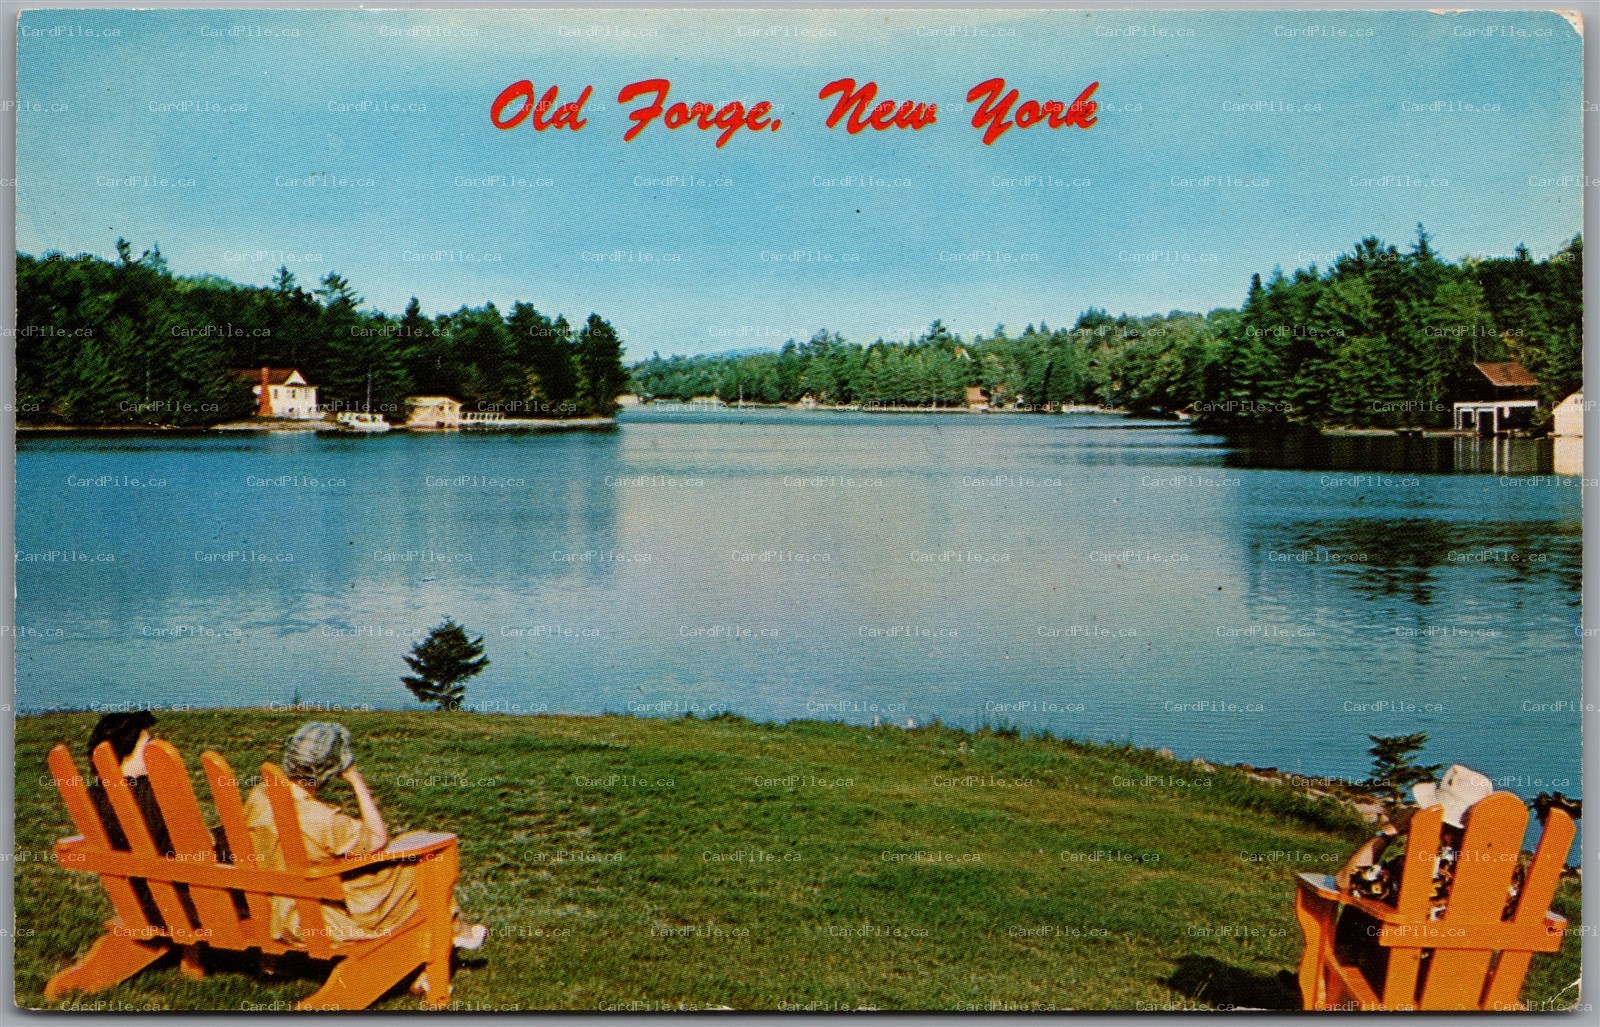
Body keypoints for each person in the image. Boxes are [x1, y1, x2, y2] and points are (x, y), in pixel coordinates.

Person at [242, 721, 487, 956]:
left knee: (412, 845)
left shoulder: (260, 795)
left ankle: (439, 949)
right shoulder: (324, 820)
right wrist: (356, 780)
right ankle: (452, 934)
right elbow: (378, 839)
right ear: (333, 767)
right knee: (427, 857)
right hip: (313, 920)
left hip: (272, 908)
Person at [1332, 764, 1521, 991]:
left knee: (1356, 909)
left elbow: (1345, 879)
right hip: (1468, 983)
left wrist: (1389, 831)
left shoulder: (1419, 867)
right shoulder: (1511, 873)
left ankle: (1329, 983)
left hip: (1406, 979)